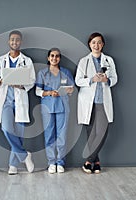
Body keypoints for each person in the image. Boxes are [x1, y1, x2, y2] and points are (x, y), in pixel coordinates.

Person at [0, 30, 35, 175]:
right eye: (12, 40)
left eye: (17, 40)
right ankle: (24, 155)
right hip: (6, 102)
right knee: (6, 129)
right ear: (8, 42)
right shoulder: (0, 60)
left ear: (20, 42)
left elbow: (32, 80)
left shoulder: (27, 61)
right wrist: (2, 81)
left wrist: (22, 85)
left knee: (19, 134)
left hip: (20, 100)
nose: (14, 42)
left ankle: (13, 165)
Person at [75, 32, 118, 174]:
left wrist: (107, 80)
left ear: (103, 44)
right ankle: (97, 162)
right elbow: (78, 81)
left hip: (102, 101)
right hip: (88, 101)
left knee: (102, 132)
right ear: (89, 44)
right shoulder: (84, 61)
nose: (96, 45)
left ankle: (88, 160)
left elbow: (115, 78)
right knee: (91, 134)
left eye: (99, 42)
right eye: (94, 42)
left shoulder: (109, 60)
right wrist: (92, 79)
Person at [36, 48, 75, 174]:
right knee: (49, 136)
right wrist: (48, 92)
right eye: (52, 56)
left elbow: (71, 89)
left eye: (57, 56)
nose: (54, 58)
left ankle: (60, 162)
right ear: (48, 58)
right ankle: (51, 162)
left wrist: (60, 92)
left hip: (62, 107)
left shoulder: (65, 72)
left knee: (61, 136)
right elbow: (37, 91)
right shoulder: (43, 73)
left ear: (60, 58)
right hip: (47, 107)